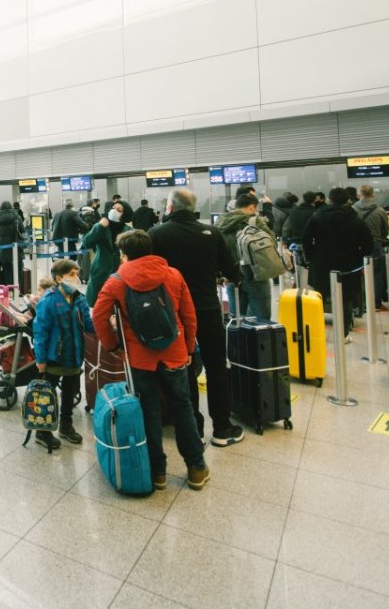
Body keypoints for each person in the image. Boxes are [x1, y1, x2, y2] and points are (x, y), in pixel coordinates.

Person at [93, 230, 209, 491]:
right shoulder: (173, 274)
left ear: (124, 254)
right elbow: (189, 316)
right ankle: (196, 468)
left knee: (149, 412)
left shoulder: (116, 282)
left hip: (139, 358)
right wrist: (189, 348)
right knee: (183, 409)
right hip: (175, 354)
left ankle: (158, 473)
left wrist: (113, 346)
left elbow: (99, 317)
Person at [151, 188, 244, 446]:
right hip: (207, 308)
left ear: (170, 207)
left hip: (173, 312)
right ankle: (223, 428)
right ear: (193, 208)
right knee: (216, 366)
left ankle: (194, 429)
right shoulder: (211, 233)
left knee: (184, 368)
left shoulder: (157, 234)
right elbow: (232, 270)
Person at [30, 259, 93, 450]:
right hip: (53, 358)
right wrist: (40, 359)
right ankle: (42, 432)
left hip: (74, 355)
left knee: (70, 393)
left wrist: (108, 323)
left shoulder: (79, 298)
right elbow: (40, 332)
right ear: (59, 278)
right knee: (46, 396)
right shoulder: (48, 301)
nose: (76, 278)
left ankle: (66, 426)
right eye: (72, 274)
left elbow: (89, 324)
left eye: (77, 274)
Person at [302, 188, 372, 329]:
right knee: (345, 298)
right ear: (347, 201)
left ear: (329, 199)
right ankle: (344, 330)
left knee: (319, 295)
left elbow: (306, 239)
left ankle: (317, 328)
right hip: (348, 265)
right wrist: (358, 260)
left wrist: (311, 257)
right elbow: (367, 244)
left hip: (321, 262)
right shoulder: (355, 219)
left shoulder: (317, 216)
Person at [216, 194, 275, 320]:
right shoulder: (255, 221)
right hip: (255, 275)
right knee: (261, 318)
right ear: (252, 207)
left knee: (236, 318)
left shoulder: (220, 222)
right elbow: (272, 242)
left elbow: (215, 251)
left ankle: (239, 340)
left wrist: (221, 274)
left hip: (231, 277)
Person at [82, 199, 129, 304]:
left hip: (120, 271)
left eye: (119, 210)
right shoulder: (102, 226)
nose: (114, 211)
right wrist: (99, 227)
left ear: (124, 214)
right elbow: (86, 243)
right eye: (113, 208)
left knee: (117, 304)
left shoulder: (128, 230)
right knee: (98, 304)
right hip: (100, 269)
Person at [353, 185, 389, 307]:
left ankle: (361, 301)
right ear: (373, 194)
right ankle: (376, 301)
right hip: (375, 243)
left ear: (359, 194)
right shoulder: (380, 210)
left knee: (356, 272)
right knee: (376, 273)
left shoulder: (353, 210)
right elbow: (385, 230)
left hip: (357, 244)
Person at [0, 201, 22, 285]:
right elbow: (22, 231)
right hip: (15, 246)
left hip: (0, 248)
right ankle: (15, 288)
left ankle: (3, 286)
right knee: (16, 267)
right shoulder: (17, 217)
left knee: (4, 266)